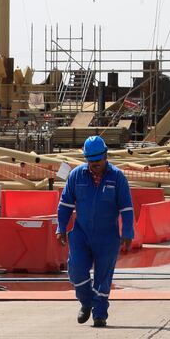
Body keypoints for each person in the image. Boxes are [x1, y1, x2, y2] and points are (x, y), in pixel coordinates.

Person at [56, 135, 134, 327]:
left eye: (97, 160)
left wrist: (128, 232)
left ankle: (100, 314)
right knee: (75, 271)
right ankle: (86, 302)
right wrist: (61, 227)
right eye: (90, 161)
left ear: (105, 156)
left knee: (103, 278)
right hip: (81, 234)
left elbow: (127, 207)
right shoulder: (76, 176)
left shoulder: (117, 178)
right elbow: (65, 204)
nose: (94, 164)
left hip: (107, 236)